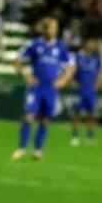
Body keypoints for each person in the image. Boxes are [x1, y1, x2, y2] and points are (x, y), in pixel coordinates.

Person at [12, 18, 74, 160]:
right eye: (52, 28)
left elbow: (71, 65)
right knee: (28, 116)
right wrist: (25, 75)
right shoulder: (34, 44)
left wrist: (63, 80)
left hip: (50, 88)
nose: (54, 30)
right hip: (36, 87)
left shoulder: (60, 47)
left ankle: (38, 150)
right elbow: (17, 59)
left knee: (45, 120)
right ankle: (21, 148)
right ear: (45, 29)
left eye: (55, 28)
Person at [69, 37, 102, 145]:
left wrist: (99, 82)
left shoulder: (96, 58)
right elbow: (70, 69)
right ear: (85, 45)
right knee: (76, 113)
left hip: (91, 90)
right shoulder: (77, 57)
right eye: (90, 44)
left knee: (91, 113)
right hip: (80, 89)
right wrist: (72, 81)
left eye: (93, 44)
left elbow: (100, 71)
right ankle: (75, 135)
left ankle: (90, 135)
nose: (92, 46)